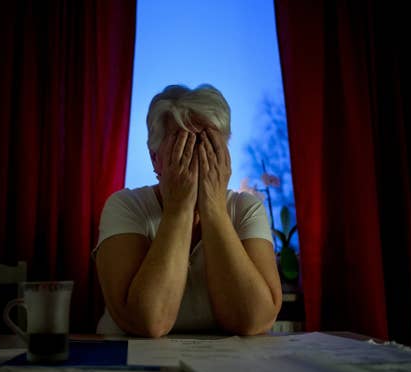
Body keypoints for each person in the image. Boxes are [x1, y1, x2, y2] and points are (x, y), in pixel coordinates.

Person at [93, 84, 282, 337]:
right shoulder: (126, 206)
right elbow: (148, 321)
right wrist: (179, 209)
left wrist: (213, 208)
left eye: (209, 146)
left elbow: (254, 320)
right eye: (183, 148)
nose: (199, 158)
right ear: (155, 159)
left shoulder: (245, 209)